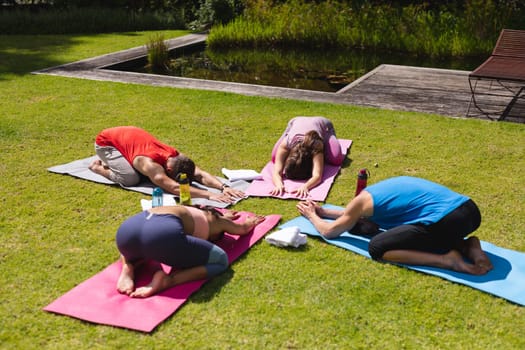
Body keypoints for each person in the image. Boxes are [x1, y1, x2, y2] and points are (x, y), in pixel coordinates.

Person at [296, 176, 493, 275]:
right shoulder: (377, 194)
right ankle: (468, 246)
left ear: (361, 218)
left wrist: (312, 215)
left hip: (448, 221)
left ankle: (447, 260)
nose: (374, 229)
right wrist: (324, 211)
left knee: (377, 247)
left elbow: (329, 232)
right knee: (423, 231)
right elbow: (349, 214)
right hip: (471, 212)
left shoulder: (359, 204)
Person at [116, 205, 265, 298]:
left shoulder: (188, 208)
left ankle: (128, 265)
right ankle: (169, 280)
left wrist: (224, 218)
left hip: (127, 231)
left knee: (141, 244)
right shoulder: (219, 221)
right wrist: (250, 222)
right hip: (161, 235)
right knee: (221, 260)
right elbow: (242, 229)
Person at [89, 126, 244, 203]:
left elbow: (200, 174)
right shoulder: (151, 165)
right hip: (107, 143)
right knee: (131, 179)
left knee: (139, 175)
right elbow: (174, 188)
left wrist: (224, 187)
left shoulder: (177, 157)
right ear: (168, 169)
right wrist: (210, 194)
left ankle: (114, 161)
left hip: (127, 136)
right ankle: (98, 167)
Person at [270, 116, 344, 198]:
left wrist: (306, 186)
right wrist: (278, 184)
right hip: (295, 121)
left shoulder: (315, 146)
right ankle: (288, 132)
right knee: (274, 157)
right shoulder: (287, 143)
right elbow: (276, 171)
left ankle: (327, 135)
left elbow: (317, 176)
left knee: (336, 158)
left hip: (325, 125)